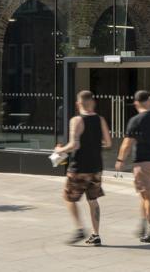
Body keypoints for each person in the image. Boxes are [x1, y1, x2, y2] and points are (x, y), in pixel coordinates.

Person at [52, 90, 112, 246]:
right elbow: (108, 143)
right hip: (96, 167)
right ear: (93, 103)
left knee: (68, 198)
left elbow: (74, 145)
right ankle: (96, 235)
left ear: (79, 104)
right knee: (93, 200)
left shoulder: (76, 120)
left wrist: (59, 150)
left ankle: (79, 229)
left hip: (79, 167)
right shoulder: (100, 120)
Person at [115, 89, 150, 244]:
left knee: (149, 199)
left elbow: (127, 144)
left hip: (142, 164)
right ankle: (144, 223)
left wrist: (120, 160)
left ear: (136, 103)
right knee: (145, 195)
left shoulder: (135, 120)